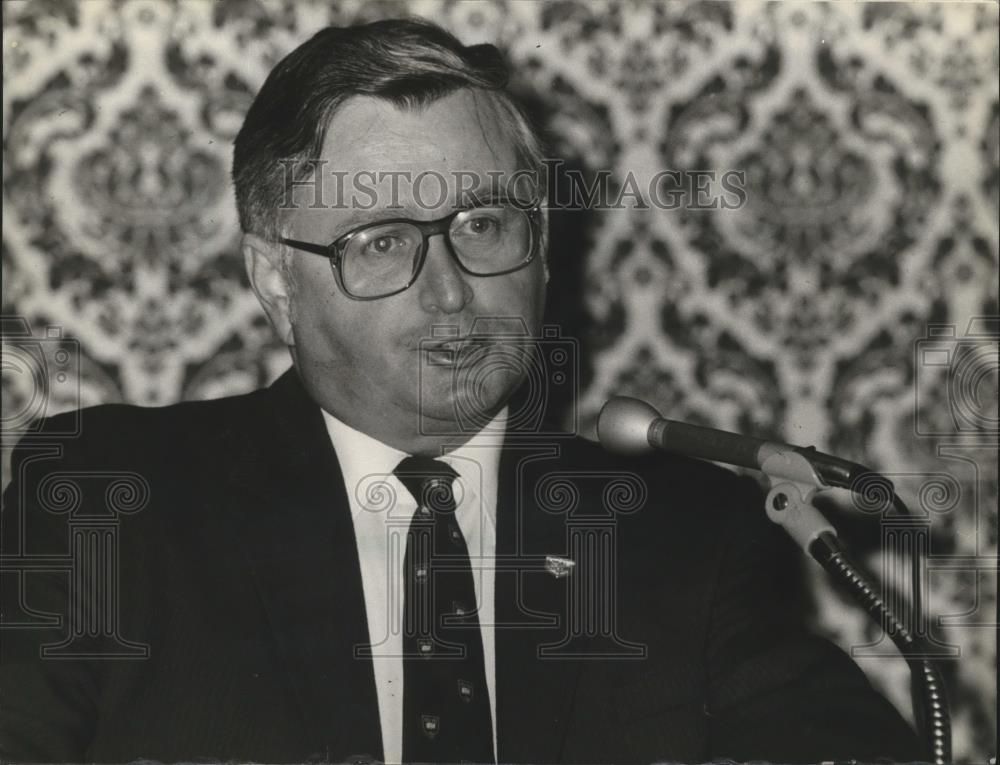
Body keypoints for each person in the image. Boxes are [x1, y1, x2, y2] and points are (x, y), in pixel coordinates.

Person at [1, 18, 920, 764]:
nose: (450, 290)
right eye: (383, 241)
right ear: (277, 280)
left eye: (484, 224)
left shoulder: (685, 530)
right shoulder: (104, 501)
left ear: (545, 246)